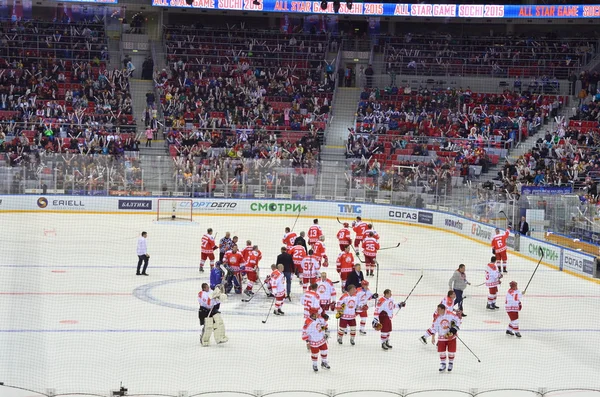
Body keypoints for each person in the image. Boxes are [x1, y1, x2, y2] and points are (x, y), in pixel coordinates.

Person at [430, 304, 461, 372]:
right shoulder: (437, 317)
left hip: (451, 337)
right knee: (441, 352)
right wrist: (433, 337)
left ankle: (450, 363)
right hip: (442, 337)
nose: (437, 311)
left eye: (439, 309)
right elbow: (434, 328)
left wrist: (454, 329)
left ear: (443, 309)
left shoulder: (450, 315)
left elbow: (458, 321)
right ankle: (443, 364)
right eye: (437, 309)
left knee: (451, 352)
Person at [302, 307, 330, 372]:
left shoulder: (319, 319)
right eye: (316, 313)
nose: (318, 314)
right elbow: (304, 331)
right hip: (313, 340)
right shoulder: (308, 322)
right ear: (312, 314)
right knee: (315, 353)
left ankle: (324, 362)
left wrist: (326, 332)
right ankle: (314, 364)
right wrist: (307, 342)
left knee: (325, 350)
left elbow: (322, 326)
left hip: (321, 338)